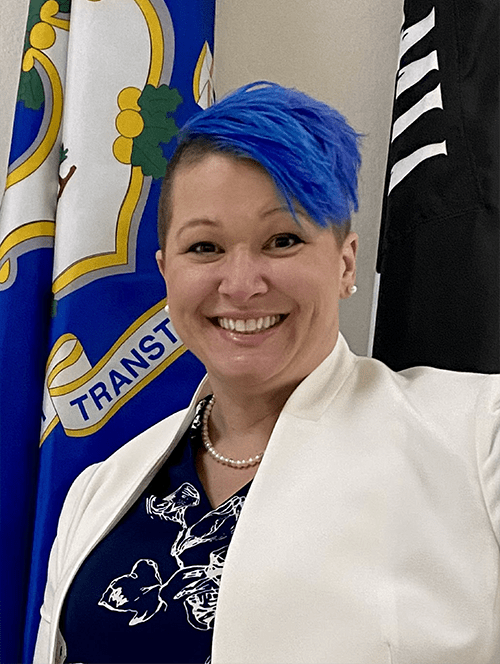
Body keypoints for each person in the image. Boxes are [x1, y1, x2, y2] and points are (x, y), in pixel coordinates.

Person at [35, 82, 499, 664]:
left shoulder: (479, 436)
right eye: (204, 247)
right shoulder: (98, 491)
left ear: (345, 263)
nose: (241, 284)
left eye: (282, 240)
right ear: (167, 273)